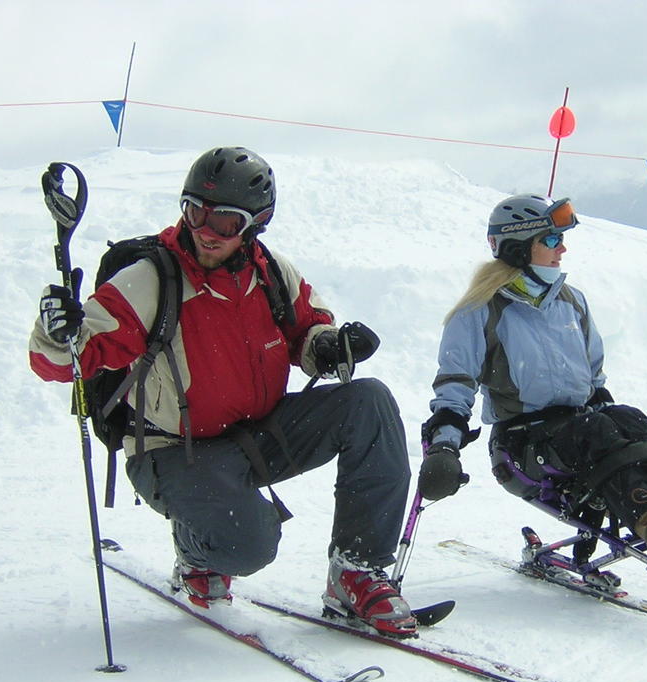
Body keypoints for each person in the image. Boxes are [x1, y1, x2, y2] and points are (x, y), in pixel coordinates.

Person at [30, 147, 417, 636]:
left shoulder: (274, 273)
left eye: (226, 220)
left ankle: (356, 571)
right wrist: (57, 331)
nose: (206, 230)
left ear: (255, 224)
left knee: (369, 401)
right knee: (251, 545)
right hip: (174, 452)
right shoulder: (149, 279)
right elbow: (62, 361)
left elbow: (309, 333)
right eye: (195, 210)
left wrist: (334, 347)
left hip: (256, 436)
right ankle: (197, 552)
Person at [418, 193, 647, 575]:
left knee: (629, 420)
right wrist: (444, 448)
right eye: (550, 240)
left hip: (577, 430)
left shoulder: (572, 302)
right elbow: (455, 386)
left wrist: (620, 428)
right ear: (517, 248)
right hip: (521, 447)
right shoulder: (480, 311)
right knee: (595, 430)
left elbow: (595, 379)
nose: (562, 248)